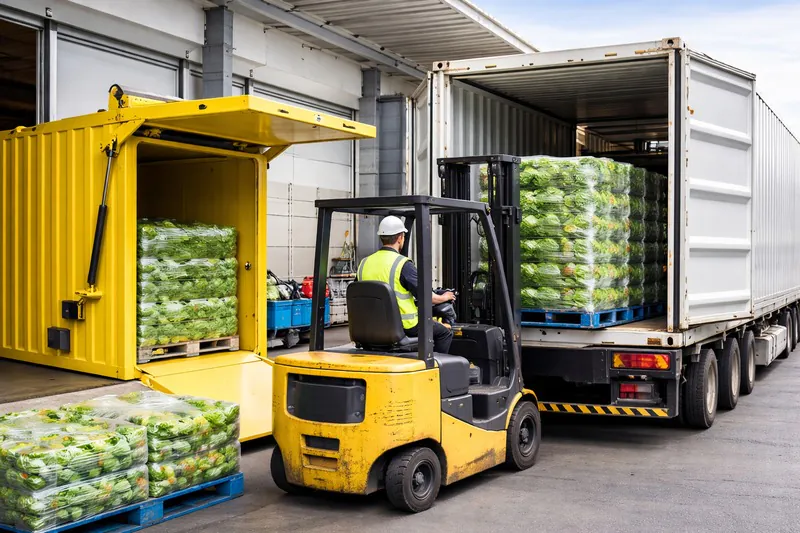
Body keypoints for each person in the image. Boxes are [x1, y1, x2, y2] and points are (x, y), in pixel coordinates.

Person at [357, 215, 456, 353]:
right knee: (443, 333)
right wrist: (445, 297)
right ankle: (436, 370)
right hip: (404, 326)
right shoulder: (402, 264)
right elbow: (428, 297)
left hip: (372, 326)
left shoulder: (364, 263)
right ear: (400, 237)